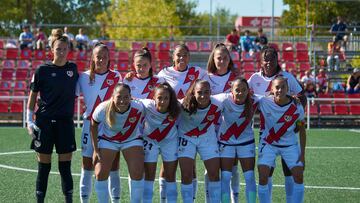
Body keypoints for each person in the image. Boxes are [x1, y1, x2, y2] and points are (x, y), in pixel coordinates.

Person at [248, 46, 305, 203]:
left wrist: (296, 122)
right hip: (267, 134)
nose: (268, 62)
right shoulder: (254, 78)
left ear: (277, 60)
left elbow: (302, 97)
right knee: (267, 171)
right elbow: (245, 96)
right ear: (261, 61)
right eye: (265, 59)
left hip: (287, 132)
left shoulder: (286, 77)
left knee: (289, 172)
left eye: (272, 58)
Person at [26, 29, 78, 203]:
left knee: (65, 167)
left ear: (68, 50)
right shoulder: (42, 70)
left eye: (64, 48)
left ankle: (68, 200)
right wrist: (28, 121)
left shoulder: (73, 69)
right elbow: (33, 96)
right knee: (43, 167)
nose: (61, 52)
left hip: (65, 124)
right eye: (58, 49)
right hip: (44, 123)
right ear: (52, 50)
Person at [157, 44, 208, 201]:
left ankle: (190, 199)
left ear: (189, 57)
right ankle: (163, 199)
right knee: (167, 165)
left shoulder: (199, 73)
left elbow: (206, 93)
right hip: (169, 126)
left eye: (185, 55)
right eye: (178, 54)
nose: (181, 58)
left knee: (190, 165)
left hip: (189, 125)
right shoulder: (163, 73)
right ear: (173, 56)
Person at [77, 42, 122, 203]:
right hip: (89, 125)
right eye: (98, 57)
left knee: (113, 166)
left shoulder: (116, 76)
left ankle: (115, 201)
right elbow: (70, 95)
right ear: (93, 58)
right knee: (87, 165)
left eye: (104, 57)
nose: (101, 60)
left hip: (111, 125)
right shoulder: (83, 77)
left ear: (109, 58)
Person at [91, 83, 144, 203]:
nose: (122, 100)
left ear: (131, 97)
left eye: (126, 97)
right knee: (100, 173)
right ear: (113, 96)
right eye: (119, 97)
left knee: (137, 171)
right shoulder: (102, 108)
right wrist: (95, 149)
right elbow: (93, 125)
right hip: (108, 140)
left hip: (131, 140)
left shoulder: (139, 107)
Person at [257, 76, 306, 203]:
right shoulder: (263, 102)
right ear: (272, 89)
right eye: (277, 87)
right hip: (268, 144)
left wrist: (303, 155)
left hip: (289, 145)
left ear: (288, 89)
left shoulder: (297, 107)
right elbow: (245, 96)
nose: (280, 90)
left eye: (283, 87)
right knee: (263, 177)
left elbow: (302, 130)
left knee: (299, 176)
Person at [206, 42, 240, 203]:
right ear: (213, 59)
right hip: (210, 129)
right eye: (219, 58)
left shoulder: (236, 78)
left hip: (231, 128)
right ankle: (211, 199)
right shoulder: (206, 78)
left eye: (225, 58)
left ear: (229, 59)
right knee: (211, 167)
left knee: (232, 166)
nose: (222, 61)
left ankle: (235, 199)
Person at [178, 79, 222, 203]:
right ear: (194, 93)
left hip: (207, 138)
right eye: (200, 92)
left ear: (211, 92)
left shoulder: (218, 103)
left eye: (206, 92)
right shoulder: (183, 105)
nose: (203, 96)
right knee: (186, 175)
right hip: (186, 138)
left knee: (214, 174)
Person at [216, 78, 257, 203]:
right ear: (231, 91)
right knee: (225, 177)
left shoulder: (255, 100)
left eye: (244, 90)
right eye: (237, 90)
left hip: (246, 142)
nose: (240, 93)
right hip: (226, 142)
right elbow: (203, 98)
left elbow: (274, 98)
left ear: (248, 91)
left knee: (249, 177)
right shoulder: (223, 99)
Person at [141, 83, 181, 203]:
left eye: (166, 98)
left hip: (170, 142)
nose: (162, 101)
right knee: (149, 175)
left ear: (171, 99)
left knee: (170, 176)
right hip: (150, 141)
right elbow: (129, 99)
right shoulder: (146, 104)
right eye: (159, 98)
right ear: (154, 97)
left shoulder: (178, 107)